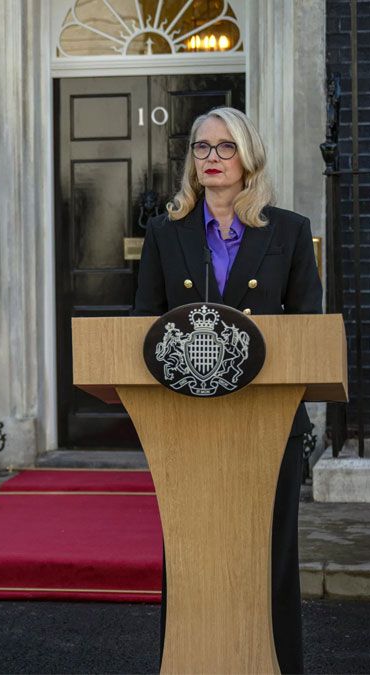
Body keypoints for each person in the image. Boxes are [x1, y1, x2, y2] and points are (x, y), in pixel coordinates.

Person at [133, 106, 322, 674]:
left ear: (248, 157)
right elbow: (144, 322)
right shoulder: (166, 231)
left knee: (268, 562)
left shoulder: (287, 230)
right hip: (186, 425)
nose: (212, 159)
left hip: (269, 423)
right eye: (201, 148)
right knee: (192, 561)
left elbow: (306, 329)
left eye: (224, 148)